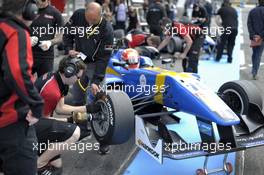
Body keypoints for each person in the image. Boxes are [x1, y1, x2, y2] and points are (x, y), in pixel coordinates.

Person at [34, 56, 101, 175]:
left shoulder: (58, 80)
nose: (79, 80)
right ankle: (38, 165)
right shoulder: (51, 91)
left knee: (57, 167)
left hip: (37, 121)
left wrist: (86, 110)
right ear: (69, 72)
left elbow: (60, 109)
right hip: (28, 127)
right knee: (75, 132)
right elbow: (41, 120)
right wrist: (71, 120)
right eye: (78, 77)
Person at [63, 2, 114, 154]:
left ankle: (104, 137)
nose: (90, 23)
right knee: (78, 97)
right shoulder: (78, 15)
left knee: (98, 97)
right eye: (88, 20)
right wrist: (69, 49)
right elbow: (67, 32)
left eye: (93, 21)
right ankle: (83, 129)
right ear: (85, 13)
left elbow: (104, 58)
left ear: (100, 15)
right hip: (79, 61)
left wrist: (97, 80)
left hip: (95, 63)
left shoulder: (107, 30)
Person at [0, 0, 44, 175]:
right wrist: (37, 105)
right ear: (29, 11)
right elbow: (17, 72)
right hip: (10, 122)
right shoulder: (15, 32)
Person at [30, 0, 64, 77]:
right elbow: (20, 27)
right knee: (22, 81)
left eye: (40, 1)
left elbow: (62, 35)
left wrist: (50, 42)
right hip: (29, 54)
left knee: (44, 83)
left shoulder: (55, 13)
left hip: (46, 57)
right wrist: (27, 39)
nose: (38, 2)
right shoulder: (30, 9)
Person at [247, 0, 264, 80]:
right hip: (262, 37)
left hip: (254, 37)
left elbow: (249, 24)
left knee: (255, 54)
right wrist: (260, 35)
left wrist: (253, 35)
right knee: (258, 55)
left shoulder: (252, 11)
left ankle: (254, 70)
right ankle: (254, 72)